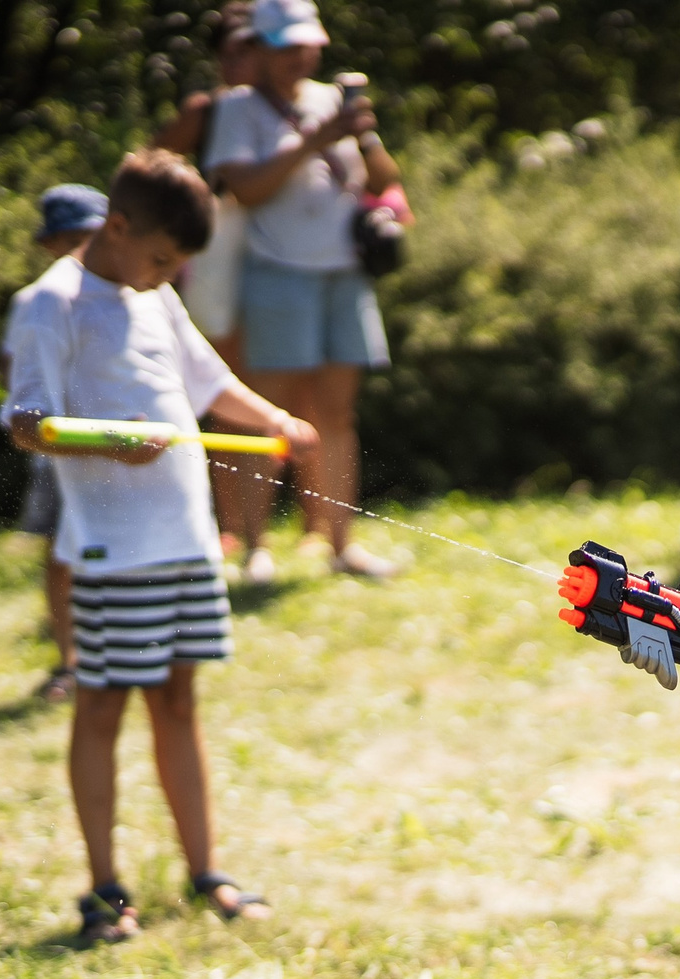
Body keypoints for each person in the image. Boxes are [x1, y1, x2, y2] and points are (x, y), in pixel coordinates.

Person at [1, 150, 320, 943]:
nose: (167, 274)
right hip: (114, 553)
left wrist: (276, 421)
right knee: (103, 706)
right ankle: (105, 891)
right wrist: (110, 441)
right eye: (160, 257)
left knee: (179, 701)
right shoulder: (51, 304)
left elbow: (209, 382)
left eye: (176, 263)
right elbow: (25, 422)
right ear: (116, 226)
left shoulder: (155, 295)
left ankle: (206, 870)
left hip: (186, 542)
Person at [204, 0, 407, 581]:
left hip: (345, 272)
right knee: (264, 415)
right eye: (287, 46)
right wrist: (316, 140)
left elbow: (384, 180)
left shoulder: (332, 100)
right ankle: (256, 548)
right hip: (277, 272)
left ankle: (341, 546)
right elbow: (246, 189)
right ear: (261, 49)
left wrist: (363, 135)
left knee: (337, 413)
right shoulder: (237, 108)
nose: (300, 57)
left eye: (308, 46)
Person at [155, 5, 273, 579]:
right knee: (225, 399)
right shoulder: (208, 111)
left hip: (277, 265)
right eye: (232, 52)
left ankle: (277, 532)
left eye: (252, 50)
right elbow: (150, 169)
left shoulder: (288, 108)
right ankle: (235, 532)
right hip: (219, 268)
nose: (242, 63)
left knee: (276, 398)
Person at [0, 183, 106, 704]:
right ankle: (70, 659)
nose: (85, 246)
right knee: (63, 556)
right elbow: (13, 369)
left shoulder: (122, 292)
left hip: (115, 456)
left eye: (94, 234)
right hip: (61, 458)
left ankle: (108, 652)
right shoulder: (35, 300)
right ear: (50, 244)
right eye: (73, 237)